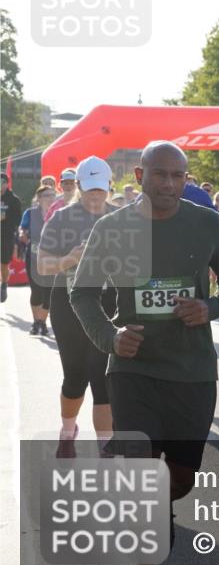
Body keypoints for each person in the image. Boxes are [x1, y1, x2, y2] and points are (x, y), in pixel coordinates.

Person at [70, 141, 219, 565]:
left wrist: (210, 307)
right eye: (160, 175)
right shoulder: (113, 227)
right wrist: (110, 338)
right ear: (139, 177)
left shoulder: (206, 222)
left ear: (186, 179)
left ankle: (159, 507)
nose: (169, 184)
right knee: (143, 471)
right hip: (133, 370)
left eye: (178, 176)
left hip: (192, 370)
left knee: (182, 479)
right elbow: (82, 293)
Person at [37, 156, 116, 459]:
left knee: (102, 376)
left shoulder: (123, 217)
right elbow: (42, 266)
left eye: (101, 189)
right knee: (75, 375)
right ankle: (68, 432)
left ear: (110, 186)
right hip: (68, 304)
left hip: (109, 302)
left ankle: (105, 447)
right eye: (90, 189)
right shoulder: (61, 218)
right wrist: (69, 259)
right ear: (80, 186)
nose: (96, 195)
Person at [18, 184, 57, 334]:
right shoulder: (30, 213)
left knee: (48, 291)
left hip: (52, 257)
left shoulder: (58, 213)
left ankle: (42, 322)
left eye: (52, 195)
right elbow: (23, 227)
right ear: (39, 198)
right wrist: (22, 233)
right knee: (36, 290)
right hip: (33, 257)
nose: (50, 198)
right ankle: (36, 321)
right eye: (46, 195)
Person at [1, 173, 23, 302]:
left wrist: (5, 218)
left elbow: (18, 220)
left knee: (4, 263)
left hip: (6, 236)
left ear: (7, 183)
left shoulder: (14, 200)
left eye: (2, 182)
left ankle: (4, 284)